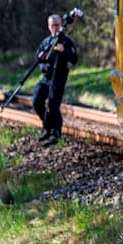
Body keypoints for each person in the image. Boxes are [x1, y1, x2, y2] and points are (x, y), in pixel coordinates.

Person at [32, 13, 78, 145]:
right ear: (49, 26)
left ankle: (55, 134)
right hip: (46, 77)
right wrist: (41, 60)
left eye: (57, 25)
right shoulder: (46, 42)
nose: (55, 28)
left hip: (58, 78)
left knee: (53, 105)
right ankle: (47, 127)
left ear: (61, 25)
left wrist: (64, 51)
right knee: (37, 101)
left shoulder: (65, 41)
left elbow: (74, 59)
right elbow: (38, 60)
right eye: (53, 25)